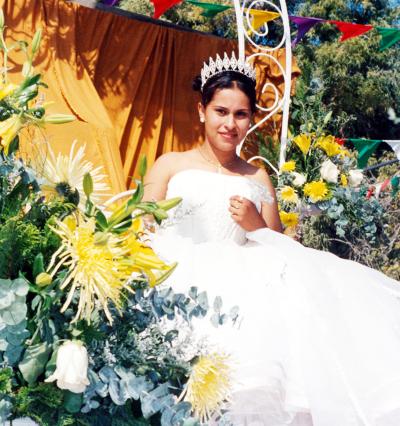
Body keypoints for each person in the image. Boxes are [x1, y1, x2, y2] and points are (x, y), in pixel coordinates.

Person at [144, 52, 400, 426]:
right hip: (177, 278)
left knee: (250, 385)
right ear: (202, 111)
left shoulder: (257, 176)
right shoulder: (170, 164)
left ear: (250, 119)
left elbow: (281, 249)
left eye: (241, 114)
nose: (230, 124)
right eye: (221, 111)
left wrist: (255, 225)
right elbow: (142, 224)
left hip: (246, 292)